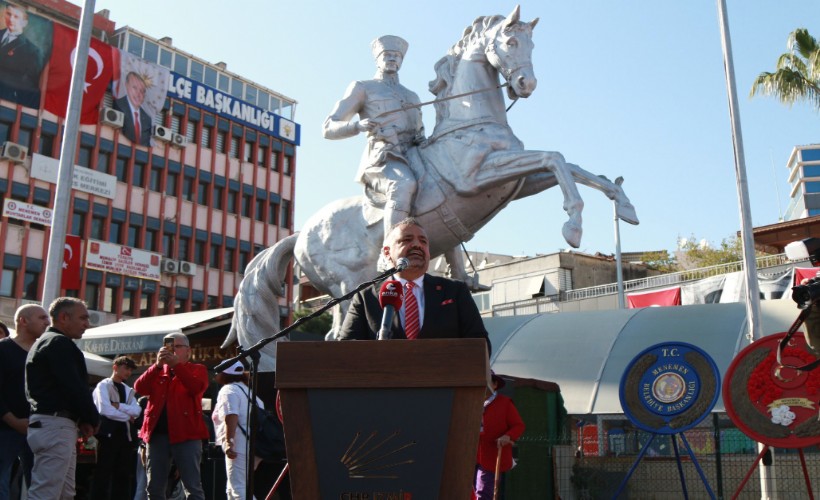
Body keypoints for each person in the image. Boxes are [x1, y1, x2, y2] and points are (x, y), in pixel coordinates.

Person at [323, 35, 425, 238]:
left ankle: (457, 268)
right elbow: (328, 128)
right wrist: (356, 126)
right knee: (403, 185)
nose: (392, 59)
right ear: (377, 58)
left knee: (444, 187)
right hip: (384, 157)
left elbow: (420, 132)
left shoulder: (412, 96)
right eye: (387, 54)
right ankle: (391, 253)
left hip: (413, 155)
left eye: (397, 56)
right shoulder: (363, 87)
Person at [338, 217, 490, 345]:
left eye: (423, 241)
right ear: (387, 252)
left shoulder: (455, 291)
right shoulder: (366, 297)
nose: (417, 244)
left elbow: (480, 344)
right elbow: (346, 350)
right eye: (407, 239)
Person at [25, 297, 100, 500]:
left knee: (63, 493)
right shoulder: (58, 343)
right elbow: (74, 386)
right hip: (55, 426)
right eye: (83, 318)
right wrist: (91, 418)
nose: (87, 323)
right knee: (47, 492)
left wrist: (84, 418)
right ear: (64, 317)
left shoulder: (48, 342)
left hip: (55, 425)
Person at [134, 332, 208, 500]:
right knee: (154, 487)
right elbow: (140, 388)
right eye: (168, 346)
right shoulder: (159, 372)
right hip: (158, 436)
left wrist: (176, 366)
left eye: (177, 347)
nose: (172, 350)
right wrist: (157, 365)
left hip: (187, 435)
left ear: (188, 351)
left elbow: (196, 387)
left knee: (192, 486)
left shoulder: (198, 369)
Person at [0, 304, 49, 499]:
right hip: (5, 429)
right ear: (23, 320)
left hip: (38, 428)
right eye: (42, 318)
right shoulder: (3, 349)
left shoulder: (44, 353)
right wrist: (12, 420)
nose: (47, 322)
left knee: (39, 484)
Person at [211, 361, 264, 500]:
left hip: (239, 446)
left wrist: (229, 442)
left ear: (225, 374)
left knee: (238, 489)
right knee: (232, 488)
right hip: (253, 447)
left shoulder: (228, 390)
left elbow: (231, 415)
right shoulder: (249, 392)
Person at [90, 356, 141, 500]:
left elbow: (137, 411)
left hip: (125, 437)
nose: (128, 372)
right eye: (126, 368)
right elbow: (105, 410)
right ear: (115, 367)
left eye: (131, 369)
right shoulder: (103, 385)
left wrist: (119, 406)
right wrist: (126, 415)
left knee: (123, 475)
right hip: (106, 436)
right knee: (103, 473)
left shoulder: (128, 389)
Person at [474, 372, 525, 500]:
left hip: (491, 456)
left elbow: (519, 425)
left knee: (483, 492)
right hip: (470, 457)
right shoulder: (472, 402)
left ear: (495, 385)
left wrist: (508, 436)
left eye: (486, 381)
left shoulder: (504, 403)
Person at [0, 3, 43, 108]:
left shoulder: (32, 51)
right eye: (8, 14)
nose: (11, 19)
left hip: (7, 102)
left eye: (16, 16)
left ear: (24, 22)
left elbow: (27, 83)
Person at [114, 71, 153, 146]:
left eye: (142, 91)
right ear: (126, 86)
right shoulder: (119, 105)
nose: (138, 94)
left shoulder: (147, 119)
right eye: (135, 88)